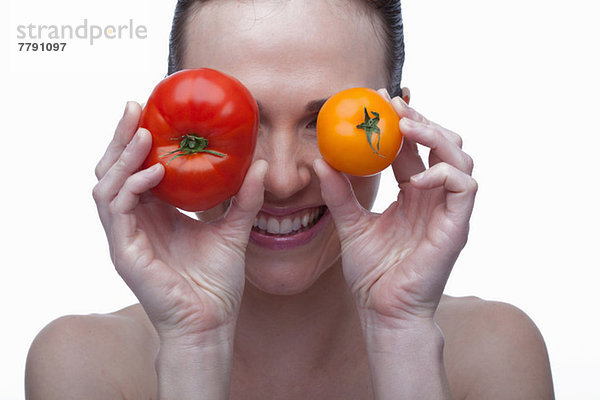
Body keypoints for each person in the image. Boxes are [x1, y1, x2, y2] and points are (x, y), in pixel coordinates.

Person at [25, 0, 555, 399]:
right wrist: (194, 346)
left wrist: (402, 337)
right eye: (241, 121)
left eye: (324, 123)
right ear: (164, 120)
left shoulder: (496, 355)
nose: (280, 179)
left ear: (402, 126)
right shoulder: (83, 365)